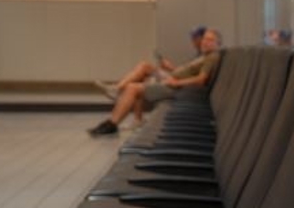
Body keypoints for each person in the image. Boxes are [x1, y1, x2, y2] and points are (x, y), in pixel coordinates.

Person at [89, 28, 222, 137]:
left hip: (177, 89)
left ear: (218, 43)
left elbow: (201, 80)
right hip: (173, 81)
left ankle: (112, 121)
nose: (205, 42)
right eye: (205, 39)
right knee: (141, 75)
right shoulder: (204, 56)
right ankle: (120, 115)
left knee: (133, 87)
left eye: (210, 40)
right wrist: (172, 70)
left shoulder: (212, 57)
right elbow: (190, 73)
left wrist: (176, 82)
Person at [101, 26, 211, 100]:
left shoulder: (206, 57)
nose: (192, 40)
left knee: (144, 66)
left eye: (195, 38)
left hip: (177, 82)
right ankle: (136, 119)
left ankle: (117, 89)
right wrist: (171, 68)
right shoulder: (199, 54)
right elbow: (186, 72)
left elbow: (197, 78)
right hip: (175, 77)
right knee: (141, 77)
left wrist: (174, 75)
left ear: (201, 38)